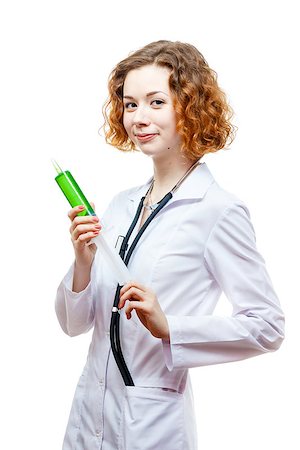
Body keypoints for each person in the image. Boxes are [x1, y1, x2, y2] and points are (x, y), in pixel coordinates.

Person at [55, 40, 285, 450]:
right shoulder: (120, 205)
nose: (138, 118)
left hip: (153, 424)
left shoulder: (218, 210)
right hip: (88, 416)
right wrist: (83, 261)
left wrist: (170, 327)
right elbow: (74, 325)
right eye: (130, 104)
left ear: (190, 106)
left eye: (155, 102)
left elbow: (268, 326)